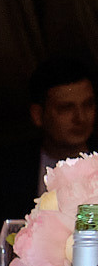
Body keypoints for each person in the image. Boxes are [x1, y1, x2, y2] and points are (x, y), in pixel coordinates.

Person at [29, 53, 96, 195]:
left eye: (88, 105)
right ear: (38, 115)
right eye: (66, 108)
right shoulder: (4, 171)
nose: (81, 118)